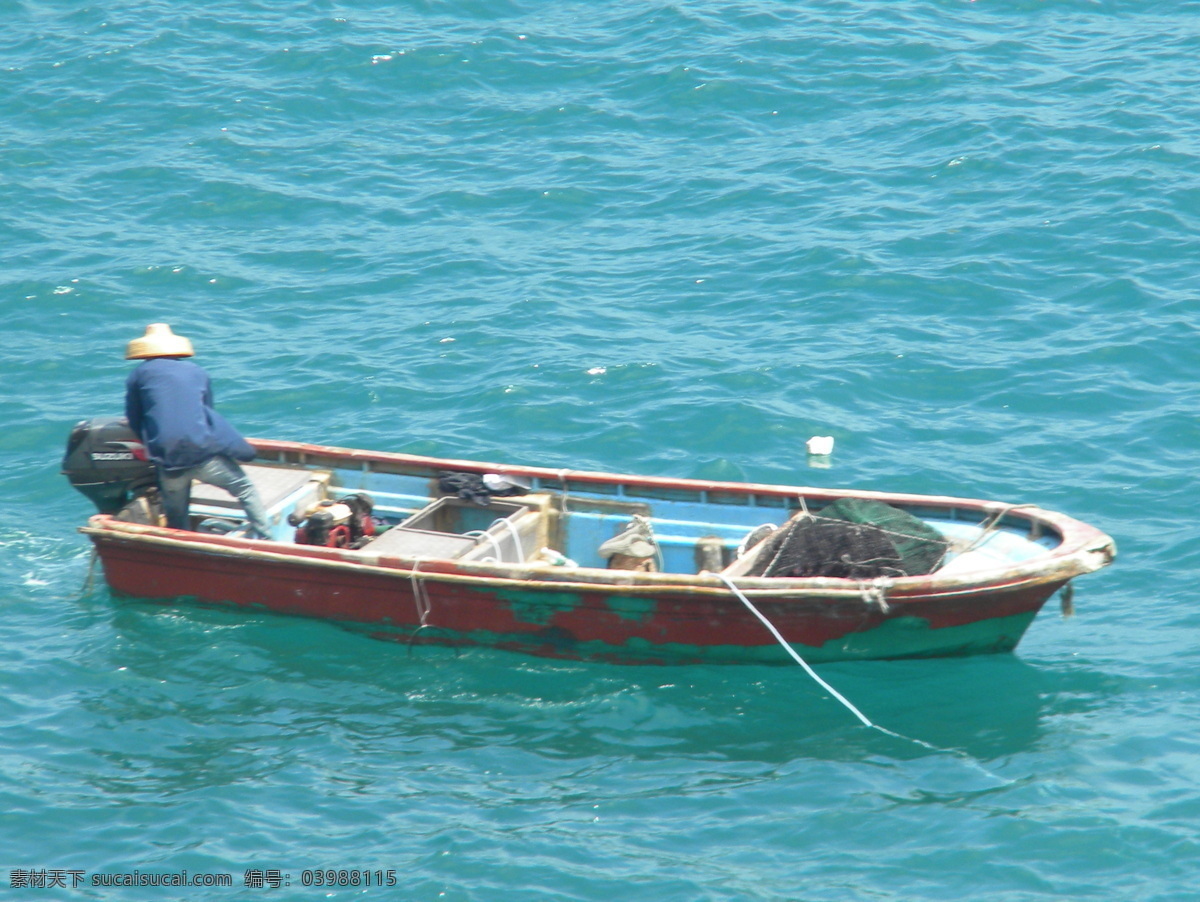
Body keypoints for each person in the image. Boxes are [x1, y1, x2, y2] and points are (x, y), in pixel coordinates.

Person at [124, 323, 273, 539]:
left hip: (169, 463)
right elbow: (207, 412)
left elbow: (135, 419)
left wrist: (154, 446)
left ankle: (182, 547)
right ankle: (266, 538)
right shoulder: (197, 371)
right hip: (203, 455)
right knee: (245, 489)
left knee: (176, 512)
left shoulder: (138, 375)